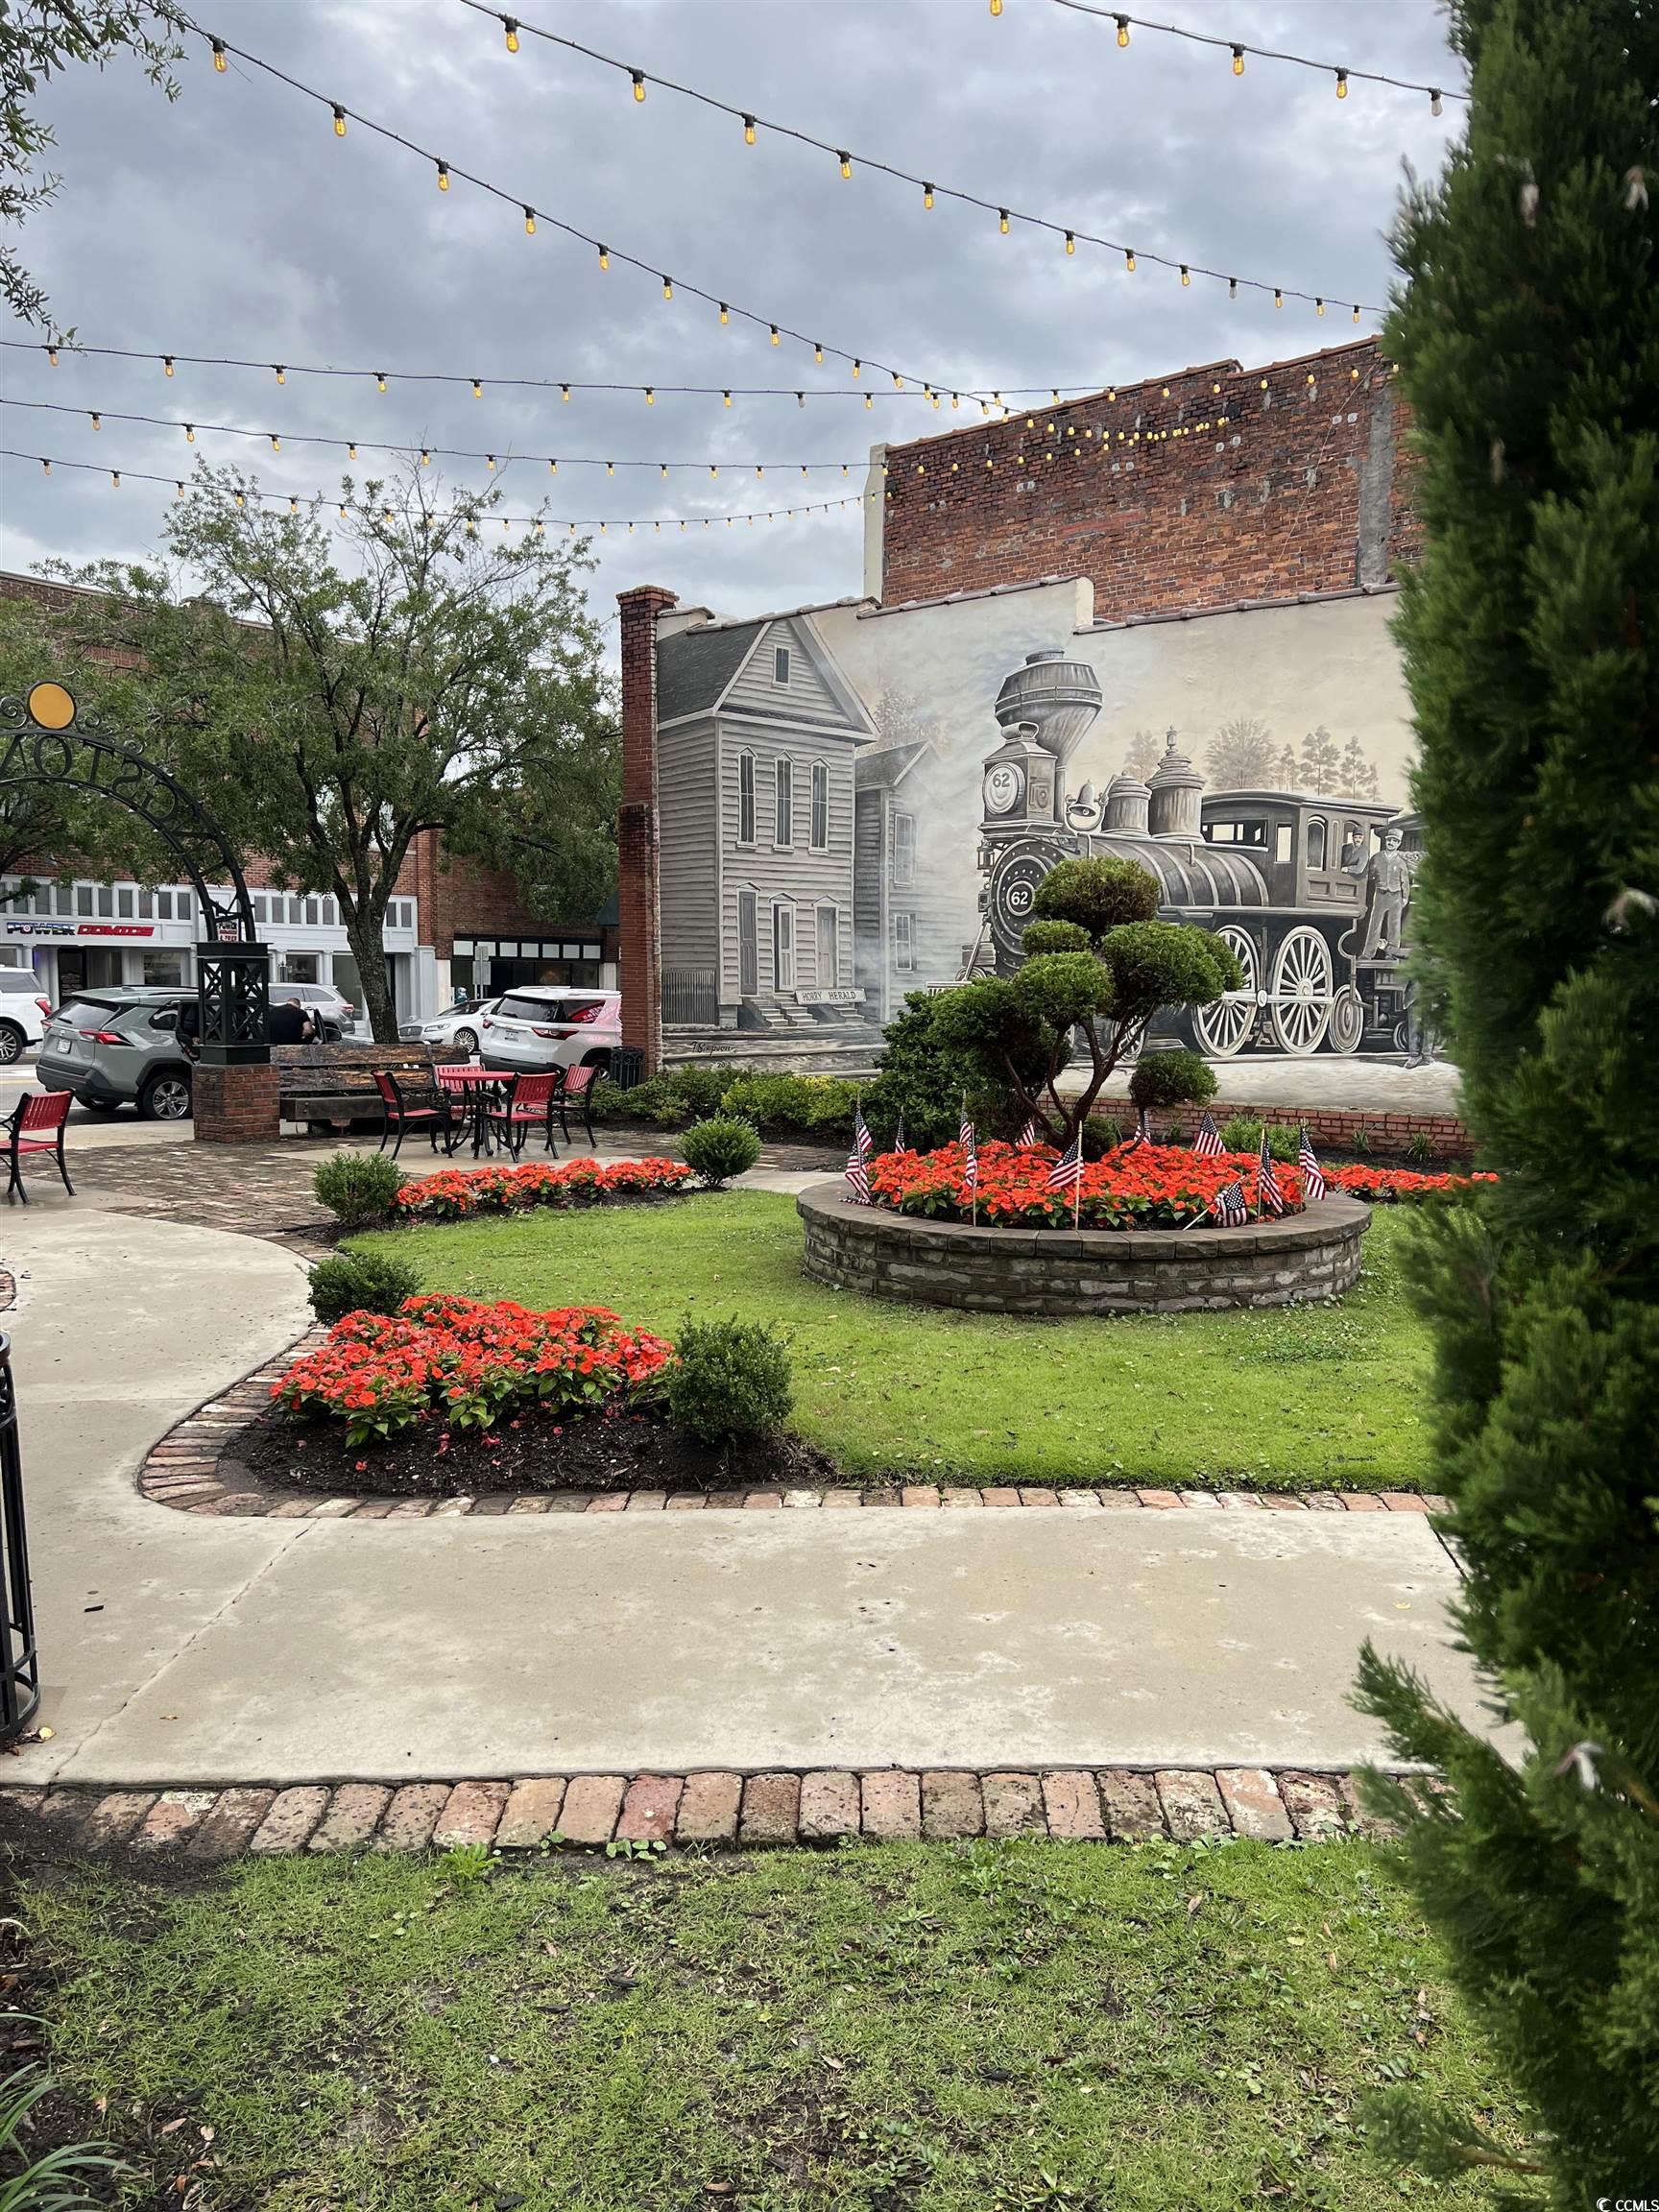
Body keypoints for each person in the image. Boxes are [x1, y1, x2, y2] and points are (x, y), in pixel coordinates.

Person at [1347, 824, 1415, 958]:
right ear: (1386, 841)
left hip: (1396, 896)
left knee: (1394, 926)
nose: (1391, 843)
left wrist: (1404, 897)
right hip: (1380, 895)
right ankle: (1368, 953)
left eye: (1395, 841)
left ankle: (1392, 953)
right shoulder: (1376, 858)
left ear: (1399, 843)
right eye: (1389, 840)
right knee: (1375, 924)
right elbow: (1369, 874)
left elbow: (1405, 881)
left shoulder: (1401, 862)